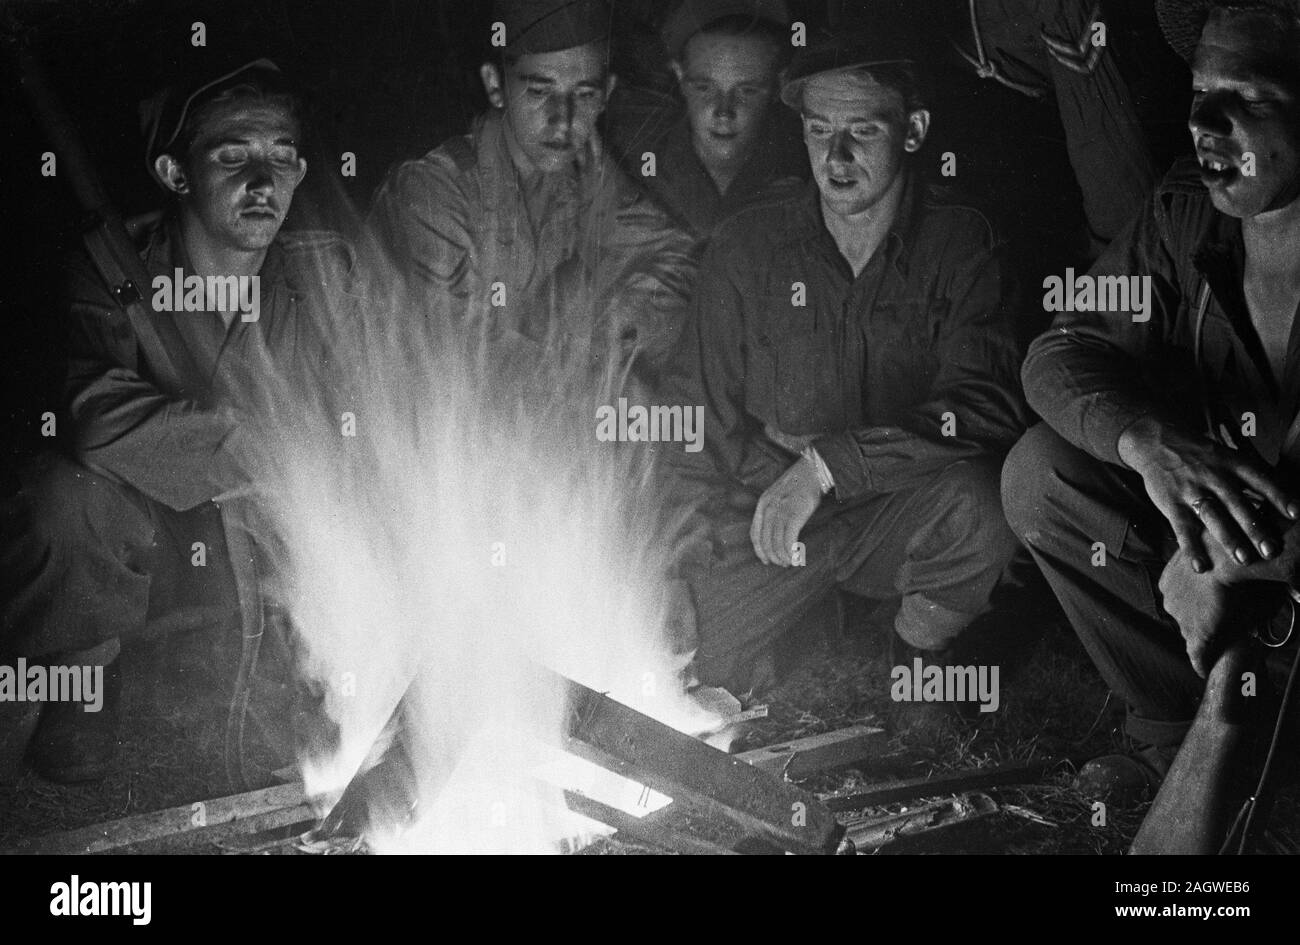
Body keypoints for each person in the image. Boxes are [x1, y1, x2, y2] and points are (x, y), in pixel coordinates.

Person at [0, 60, 355, 782]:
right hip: (149, 545)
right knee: (61, 501)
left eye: (282, 156)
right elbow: (95, 418)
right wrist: (250, 445)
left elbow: (368, 412)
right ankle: (84, 674)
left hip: (284, 535)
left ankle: (325, 672)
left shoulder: (320, 273)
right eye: (233, 156)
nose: (264, 182)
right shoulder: (112, 264)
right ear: (175, 171)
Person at [665, 30, 1028, 713]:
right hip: (766, 523)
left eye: (863, 129)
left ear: (914, 130)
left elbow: (983, 404)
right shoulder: (747, 246)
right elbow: (692, 419)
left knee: (985, 506)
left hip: (896, 513)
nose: (836, 156)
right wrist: (673, 563)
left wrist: (829, 466)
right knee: (669, 658)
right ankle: (792, 626)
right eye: (819, 130)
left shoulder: (962, 241)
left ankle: (917, 651)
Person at [1004, 0, 1300, 799]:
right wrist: (1147, 441)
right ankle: (1181, 735)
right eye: (1201, 91)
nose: (1207, 121)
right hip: (1236, 575)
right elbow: (1061, 352)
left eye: (1253, 98)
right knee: (1043, 472)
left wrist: (1240, 561)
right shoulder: (1184, 211)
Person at [367, 0, 697, 383]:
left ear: (607, 93)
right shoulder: (431, 192)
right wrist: (588, 365)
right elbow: (455, 353)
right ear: (496, 86)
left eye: (585, 94)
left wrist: (610, 331)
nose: (565, 119)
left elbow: (674, 257)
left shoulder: (588, 171)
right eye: (540, 92)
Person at [607, 0, 807, 238]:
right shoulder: (629, 155)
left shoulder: (807, 166)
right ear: (680, 76)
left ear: (778, 85)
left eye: (747, 91)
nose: (724, 111)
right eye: (705, 88)